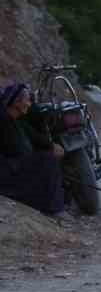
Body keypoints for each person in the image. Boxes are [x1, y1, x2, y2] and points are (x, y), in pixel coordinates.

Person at [0, 83, 65, 216]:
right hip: (6, 172)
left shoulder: (17, 122)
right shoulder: (3, 121)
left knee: (47, 158)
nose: (29, 104)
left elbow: (35, 136)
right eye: (27, 100)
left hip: (16, 166)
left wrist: (52, 145)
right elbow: (15, 152)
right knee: (47, 160)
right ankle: (52, 209)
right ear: (16, 102)